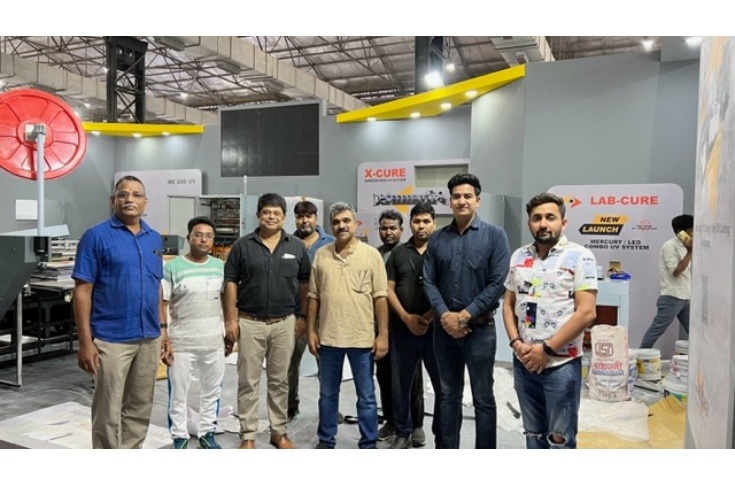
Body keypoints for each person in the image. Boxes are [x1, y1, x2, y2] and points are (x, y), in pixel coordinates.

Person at [72, 175, 164, 449]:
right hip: (111, 338)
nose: (129, 199)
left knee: (140, 406)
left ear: (145, 202)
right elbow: (82, 291)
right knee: (108, 409)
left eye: (136, 195)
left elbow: (157, 286)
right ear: (113, 200)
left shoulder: (153, 238)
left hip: (148, 338)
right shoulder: (95, 236)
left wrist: (164, 330)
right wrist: (85, 343)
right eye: (123, 194)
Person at [502, 192, 598, 449]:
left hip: (561, 364)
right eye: (537, 218)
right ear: (529, 223)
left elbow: (586, 312)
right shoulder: (519, 256)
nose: (543, 223)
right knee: (533, 433)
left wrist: (546, 349)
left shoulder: (580, 256)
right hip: (524, 361)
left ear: (563, 222)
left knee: (560, 438)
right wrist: (516, 344)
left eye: (550, 217)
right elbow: (508, 304)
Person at [423, 173, 510, 449]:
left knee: (483, 398)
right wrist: (445, 315)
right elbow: (429, 280)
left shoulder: (495, 236)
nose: (462, 201)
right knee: (448, 395)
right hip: (443, 331)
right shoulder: (438, 239)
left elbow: (498, 283)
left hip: (480, 330)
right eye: (457, 196)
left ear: (478, 200)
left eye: (467, 196)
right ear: (450, 201)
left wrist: (464, 316)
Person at [224, 193, 311, 449]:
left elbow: (305, 283)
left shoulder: (297, 247)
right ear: (258, 215)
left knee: (280, 380)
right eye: (267, 212)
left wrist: (303, 315)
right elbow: (230, 283)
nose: (271, 217)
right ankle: (248, 435)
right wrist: (230, 321)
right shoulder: (242, 246)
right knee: (248, 381)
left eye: (276, 213)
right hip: (249, 322)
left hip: (284, 323)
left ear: (284, 217)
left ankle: (279, 432)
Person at [307, 202, 389, 449]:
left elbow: (380, 297)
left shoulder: (371, 255)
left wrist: (383, 335)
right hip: (329, 337)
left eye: (346, 221)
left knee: (366, 396)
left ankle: (368, 443)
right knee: (327, 394)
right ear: (330, 226)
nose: (341, 225)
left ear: (356, 223)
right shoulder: (322, 255)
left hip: (361, 338)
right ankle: (326, 440)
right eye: (336, 222)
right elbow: (313, 296)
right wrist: (311, 330)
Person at [161, 216, 229, 449]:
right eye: (198, 235)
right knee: (178, 393)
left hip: (213, 342)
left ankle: (207, 433)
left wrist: (228, 332)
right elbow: (162, 303)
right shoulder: (172, 268)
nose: (203, 240)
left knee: (212, 391)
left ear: (213, 240)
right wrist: (165, 337)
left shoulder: (220, 267)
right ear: (189, 237)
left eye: (208, 236)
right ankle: (179, 436)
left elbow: (227, 301)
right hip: (181, 344)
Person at [385, 202, 442, 449]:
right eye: (417, 221)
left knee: (442, 387)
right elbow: (388, 289)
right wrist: (406, 318)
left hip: (435, 332)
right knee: (401, 385)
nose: (421, 226)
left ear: (434, 224)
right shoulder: (398, 253)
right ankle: (403, 432)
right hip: (403, 330)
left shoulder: (441, 251)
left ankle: (442, 434)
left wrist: (427, 318)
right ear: (410, 224)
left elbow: (448, 290)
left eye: (426, 221)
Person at [375, 209, 425, 443]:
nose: (388, 232)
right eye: (384, 228)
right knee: (384, 376)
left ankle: (416, 424)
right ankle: (391, 421)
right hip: (381, 326)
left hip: (406, 324)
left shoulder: (410, 253)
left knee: (411, 378)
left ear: (402, 230)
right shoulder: (374, 255)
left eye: (393, 228)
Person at [288, 200, 335, 421]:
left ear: (316, 217)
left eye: (309, 216)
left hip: (324, 315)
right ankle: (290, 407)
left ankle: (330, 410)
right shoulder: (287, 242)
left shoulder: (331, 243)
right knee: (289, 364)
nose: (304, 221)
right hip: (294, 314)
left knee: (326, 366)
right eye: (300, 216)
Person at [640, 214, 694, 348]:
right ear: (680, 232)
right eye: (691, 230)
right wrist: (690, 252)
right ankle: (640, 355)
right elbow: (676, 272)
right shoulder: (670, 246)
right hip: (672, 297)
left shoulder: (688, 245)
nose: (694, 234)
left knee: (695, 332)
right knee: (656, 330)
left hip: (686, 297)